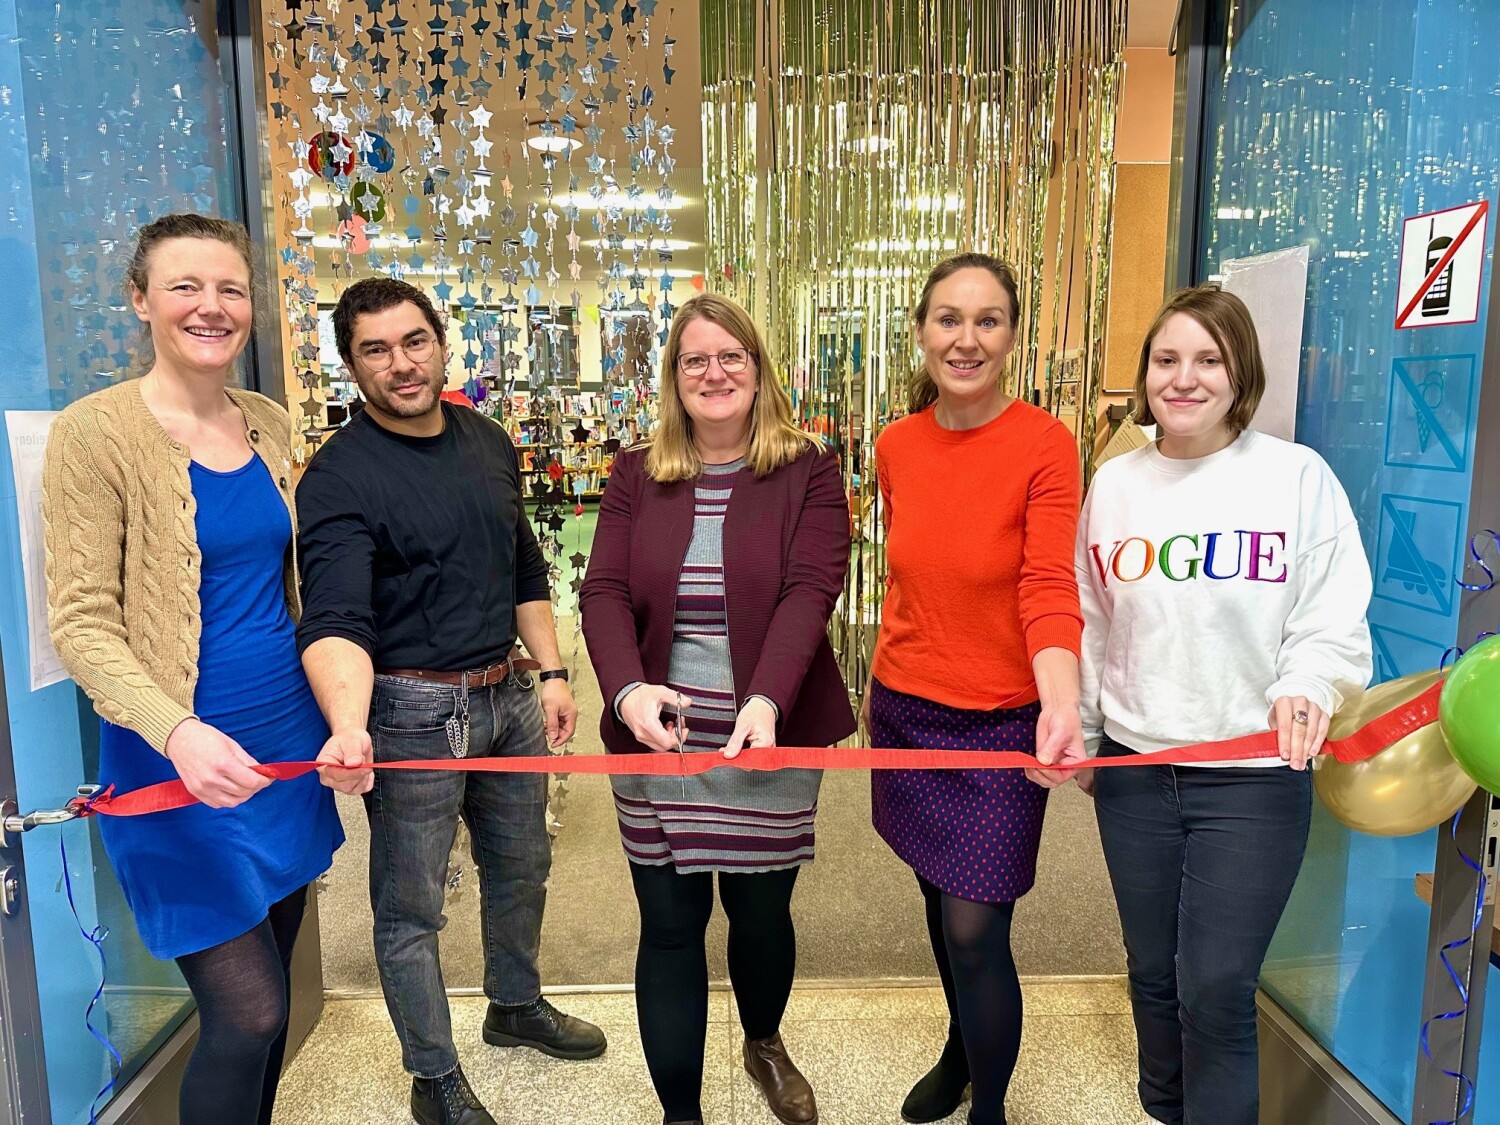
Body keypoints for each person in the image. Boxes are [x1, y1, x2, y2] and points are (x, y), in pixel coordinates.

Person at [41, 213, 344, 1125]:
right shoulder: (95, 434)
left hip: (283, 755)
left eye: (231, 289)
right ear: (140, 300)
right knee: (245, 1014)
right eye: (184, 287)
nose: (211, 307)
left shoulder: (271, 425)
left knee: (277, 1000)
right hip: (176, 762)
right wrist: (176, 729)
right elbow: (83, 624)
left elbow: (301, 585)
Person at [295, 278, 605, 1125]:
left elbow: (526, 568)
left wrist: (551, 672)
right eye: (376, 350)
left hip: (506, 694)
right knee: (411, 903)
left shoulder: (488, 438)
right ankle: (432, 1076)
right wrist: (351, 726)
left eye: (414, 341)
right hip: (409, 709)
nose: (402, 364)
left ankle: (514, 1005)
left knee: (524, 866)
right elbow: (333, 617)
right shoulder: (338, 477)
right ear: (352, 364)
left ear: (442, 341)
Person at [1061, 286, 1372, 1125]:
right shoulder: (1116, 483)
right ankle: (1165, 1110)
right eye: (1167, 360)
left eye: (1208, 360)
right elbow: (1091, 616)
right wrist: (1087, 731)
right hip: (1135, 769)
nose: (1185, 379)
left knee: (1219, 987)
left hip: (1253, 778)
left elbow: (1330, 610)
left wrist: (1307, 681)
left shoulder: (1294, 477)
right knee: (1152, 973)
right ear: (1144, 374)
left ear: (1242, 372)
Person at [579, 292, 855, 1125]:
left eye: (731, 355)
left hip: (763, 729)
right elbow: (603, 593)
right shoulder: (636, 471)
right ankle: (681, 1112)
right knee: (669, 922)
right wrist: (627, 692)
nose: (714, 372)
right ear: (674, 377)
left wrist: (766, 699)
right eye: (695, 359)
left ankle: (763, 1039)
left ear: (758, 368)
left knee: (761, 906)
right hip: (655, 734)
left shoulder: (809, 468)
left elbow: (812, 591)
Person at [865, 253, 1084, 1125]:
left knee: (975, 926)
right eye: (948, 319)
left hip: (1000, 721)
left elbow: (1046, 585)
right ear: (921, 333)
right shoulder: (895, 443)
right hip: (907, 709)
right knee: (933, 887)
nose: (966, 338)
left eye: (988, 320)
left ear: (1013, 337)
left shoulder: (1044, 443)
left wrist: (1060, 701)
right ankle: (960, 1050)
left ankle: (989, 1110)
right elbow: (914, 578)